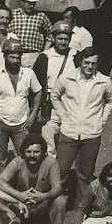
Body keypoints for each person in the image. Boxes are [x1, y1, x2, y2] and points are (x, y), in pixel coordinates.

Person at [52, 47, 112, 203]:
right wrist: (63, 116)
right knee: (60, 171)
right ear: (80, 61)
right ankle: (55, 204)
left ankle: (81, 208)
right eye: (86, 62)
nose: (89, 66)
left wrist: (102, 119)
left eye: (93, 63)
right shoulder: (67, 78)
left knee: (85, 175)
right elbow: (55, 96)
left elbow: (111, 100)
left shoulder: (104, 81)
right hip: (69, 131)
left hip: (91, 134)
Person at [0, 133, 68, 224]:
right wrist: (20, 196)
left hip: (42, 204)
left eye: (36, 152)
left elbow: (57, 187)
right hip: (20, 204)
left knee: (60, 200)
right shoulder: (18, 161)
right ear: (23, 153)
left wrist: (43, 196)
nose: (32, 156)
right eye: (29, 152)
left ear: (44, 152)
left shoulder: (51, 162)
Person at [0, 39, 43, 172]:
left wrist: (33, 115)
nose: (15, 60)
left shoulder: (29, 73)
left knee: (24, 158)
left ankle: (22, 188)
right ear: (5, 56)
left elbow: (38, 91)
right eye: (12, 57)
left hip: (21, 124)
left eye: (18, 57)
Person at [33, 20, 78, 151]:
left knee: (68, 143)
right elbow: (37, 85)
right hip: (50, 107)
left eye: (66, 39)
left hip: (70, 105)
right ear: (53, 38)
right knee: (49, 143)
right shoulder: (45, 57)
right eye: (60, 38)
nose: (63, 42)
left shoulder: (76, 56)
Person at [10, 0, 52, 68]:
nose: (32, 6)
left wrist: (45, 51)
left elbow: (51, 33)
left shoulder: (41, 16)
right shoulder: (12, 14)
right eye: (29, 3)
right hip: (15, 55)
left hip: (34, 56)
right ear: (22, 1)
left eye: (34, 3)